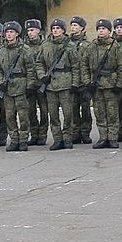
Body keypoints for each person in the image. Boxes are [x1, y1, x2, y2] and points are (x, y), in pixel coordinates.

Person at [81, 19, 122, 149]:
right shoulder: (91, 47)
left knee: (112, 113)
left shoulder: (115, 47)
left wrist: (119, 84)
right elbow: (84, 65)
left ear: (109, 31)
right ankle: (103, 137)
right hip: (96, 86)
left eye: (103, 28)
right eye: (99, 28)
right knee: (99, 113)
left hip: (111, 85)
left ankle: (112, 138)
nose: (101, 31)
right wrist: (87, 82)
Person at [36, 18, 80, 151]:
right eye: (53, 28)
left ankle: (67, 138)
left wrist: (74, 83)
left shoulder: (70, 45)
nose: (55, 30)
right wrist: (42, 76)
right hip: (50, 85)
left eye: (58, 28)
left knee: (68, 114)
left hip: (65, 83)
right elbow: (39, 62)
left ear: (63, 30)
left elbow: (75, 65)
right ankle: (57, 139)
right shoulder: (45, 45)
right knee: (53, 115)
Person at [0, 21, 37, 151]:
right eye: (7, 32)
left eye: (11, 32)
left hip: (21, 86)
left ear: (17, 34)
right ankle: (13, 140)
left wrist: (30, 85)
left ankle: (23, 140)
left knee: (23, 115)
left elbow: (30, 69)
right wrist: (0, 82)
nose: (9, 34)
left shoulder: (25, 49)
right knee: (9, 116)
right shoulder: (1, 50)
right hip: (7, 88)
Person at [24, 19, 49, 146]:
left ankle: (42, 135)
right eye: (28, 30)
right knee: (30, 111)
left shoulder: (45, 45)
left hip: (42, 84)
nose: (30, 33)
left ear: (38, 31)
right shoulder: (23, 47)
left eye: (32, 30)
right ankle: (34, 134)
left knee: (44, 111)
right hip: (29, 84)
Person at [68, 16, 93, 144]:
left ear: (82, 28)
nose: (73, 27)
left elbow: (89, 63)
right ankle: (75, 133)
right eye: (72, 25)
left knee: (85, 110)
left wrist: (88, 81)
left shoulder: (88, 44)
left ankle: (85, 133)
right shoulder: (66, 44)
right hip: (71, 82)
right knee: (73, 110)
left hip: (84, 82)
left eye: (76, 25)